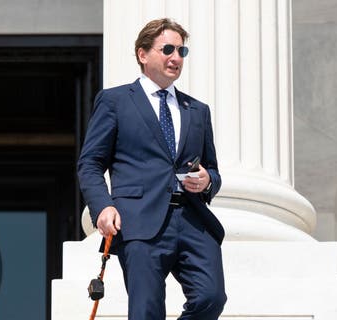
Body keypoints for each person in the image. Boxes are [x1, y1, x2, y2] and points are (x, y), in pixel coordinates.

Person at [77, 18, 226, 320]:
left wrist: (208, 179)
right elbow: (90, 164)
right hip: (139, 222)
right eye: (168, 49)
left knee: (211, 297)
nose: (176, 58)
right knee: (146, 311)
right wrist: (103, 207)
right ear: (143, 54)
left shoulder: (197, 110)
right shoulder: (115, 101)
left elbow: (212, 168)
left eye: (181, 52)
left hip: (193, 221)